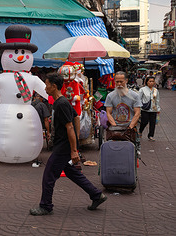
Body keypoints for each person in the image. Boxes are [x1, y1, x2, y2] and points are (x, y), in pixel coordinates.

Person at [29, 73, 106, 216]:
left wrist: (74, 149)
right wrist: (75, 140)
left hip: (62, 147)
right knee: (73, 173)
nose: (45, 88)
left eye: (47, 85)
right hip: (64, 145)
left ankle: (46, 205)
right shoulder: (61, 102)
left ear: (54, 86)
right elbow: (76, 117)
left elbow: (70, 126)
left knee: (49, 175)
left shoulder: (61, 103)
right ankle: (96, 195)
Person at [104, 71, 142, 148]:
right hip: (115, 130)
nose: (119, 84)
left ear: (126, 81)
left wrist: (130, 128)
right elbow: (108, 113)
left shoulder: (135, 96)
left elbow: (137, 113)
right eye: (117, 82)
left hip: (130, 130)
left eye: (121, 82)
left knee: (133, 152)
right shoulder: (110, 96)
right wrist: (115, 128)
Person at [138, 76, 160, 141]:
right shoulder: (142, 89)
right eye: (150, 81)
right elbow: (139, 99)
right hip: (145, 109)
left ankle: (150, 136)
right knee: (144, 122)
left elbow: (157, 100)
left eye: (153, 81)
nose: (151, 83)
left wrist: (158, 109)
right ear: (147, 82)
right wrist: (139, 108)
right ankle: (140, 131)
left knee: (153, 123)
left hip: (153, 109)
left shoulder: (156, 90)